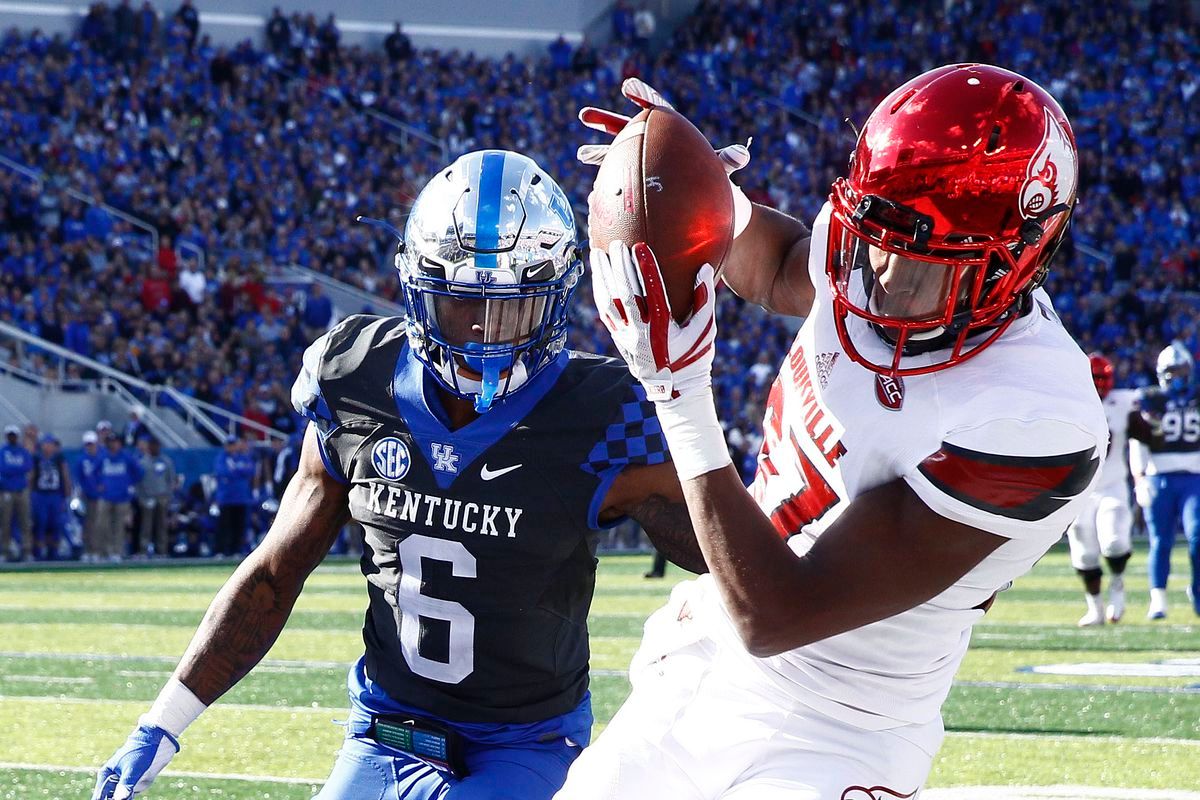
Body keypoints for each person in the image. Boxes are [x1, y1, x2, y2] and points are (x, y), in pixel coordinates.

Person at [558, 69, 1107, 799]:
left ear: (1026, 249)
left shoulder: (1039, 416)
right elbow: (781, 264)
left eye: (924, 261)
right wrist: (684, 191)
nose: (884, 275)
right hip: (702, 664)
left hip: (838, 731)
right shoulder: (872, 247)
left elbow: (781, 614)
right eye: (876, 239)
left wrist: (676, 388)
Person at [93, 149, 704, 800]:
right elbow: (274, 575)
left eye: (510, 307)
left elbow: (728, 558)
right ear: (418, 290)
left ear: (554, 298)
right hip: (387, 728)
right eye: (462, 301)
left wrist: (687, 391)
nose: (483, 332)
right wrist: (162, 722)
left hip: (528, 741)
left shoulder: (606, 412)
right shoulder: (355, 378)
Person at [1129, 341, 1200, 619]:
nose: (1177, 376)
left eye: (1181, 369)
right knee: (1161, 541)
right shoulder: (1150, 398)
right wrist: (1139, 478)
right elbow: (1139, 442)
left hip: (1194, 478)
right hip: (1159, 478)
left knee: (1197, 537)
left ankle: (1197, 590)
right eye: (1172, 370)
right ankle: (1157, 597)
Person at [1066, 353, 1138, 625]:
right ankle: (1095, 608)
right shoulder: (1072, 404)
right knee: (1084, 550)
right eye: (1093, 379)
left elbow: (1145, 432)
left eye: (1101, 379)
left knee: (1114, 539)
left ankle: (1118, 584)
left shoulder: (1124, 402)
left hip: (1112, 484)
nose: (1097, 385)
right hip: (1081, 490)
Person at [95, 433, 144, 561]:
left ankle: (117, 552)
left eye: (115, 441)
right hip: (106, 496)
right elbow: (94, 472)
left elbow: (139, 472)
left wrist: (129, 483)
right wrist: (99, 484)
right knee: (102, 524)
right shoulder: (103, 456)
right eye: (111, 442)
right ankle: (103, 552)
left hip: (122, 497)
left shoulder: (126, 457)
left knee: (119, 526)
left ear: (120, 443)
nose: (113, 444)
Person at [211, 433, 257, 557]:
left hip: (241, 497)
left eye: (233, 444)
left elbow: (250, 471)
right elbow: (223, 472)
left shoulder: (243, 458)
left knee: (239, 525)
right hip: (226, 498)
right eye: (229, 445)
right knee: (224, 525)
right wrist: (238, 472)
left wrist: (235, 471)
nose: (231, 447)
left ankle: (236, 550)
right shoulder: (221, 458)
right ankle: (220, 550)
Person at [30, 434, 72, 560]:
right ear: (42, 445)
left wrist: (67, 492)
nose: (48, 447)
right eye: (46, 444)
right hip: (40, 494)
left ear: (54, 446)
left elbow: (65, 475)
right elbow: (32, 476)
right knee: (40, 523)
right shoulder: (36, 457)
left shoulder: (59, 458)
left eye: (50, 444)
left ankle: (53, 551)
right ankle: (37, 551)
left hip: (55, 494)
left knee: (55, 524)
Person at [138, 437, 177, 558]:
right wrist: (143, 498)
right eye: (152, 445)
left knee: (161, 526)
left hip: (162, 497)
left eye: (156, 445)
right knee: (146, 526)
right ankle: (143, 550)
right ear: (148, 447)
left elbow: (171, 480)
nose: (154, 448)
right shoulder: (143, 462)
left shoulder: (166, 461)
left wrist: (168, 496)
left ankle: (161, 551)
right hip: (148, 498)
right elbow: (139, 483)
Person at [0, 424, 34, 561]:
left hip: (21, 490)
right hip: (7, 491)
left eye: (14, 435)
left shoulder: (23, 452)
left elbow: (27, 467)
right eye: (10, 435)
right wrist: (15, 470)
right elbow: (3, 468)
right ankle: (5, 551)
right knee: (5, 522)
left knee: (25, 522)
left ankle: (26, 551)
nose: (12, 438)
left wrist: (12, 470)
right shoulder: (3, 451)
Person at [74, 430, 104, 562]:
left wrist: (103, 486)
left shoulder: (102, 457)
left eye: (92, 444)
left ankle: (97, 550)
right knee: (87, 524)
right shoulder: (81, 459)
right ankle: (88, 550)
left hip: (101, 496)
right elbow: (78, 477)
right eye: (88, 444)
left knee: (99, 524)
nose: (90, 446)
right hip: (86, 495)